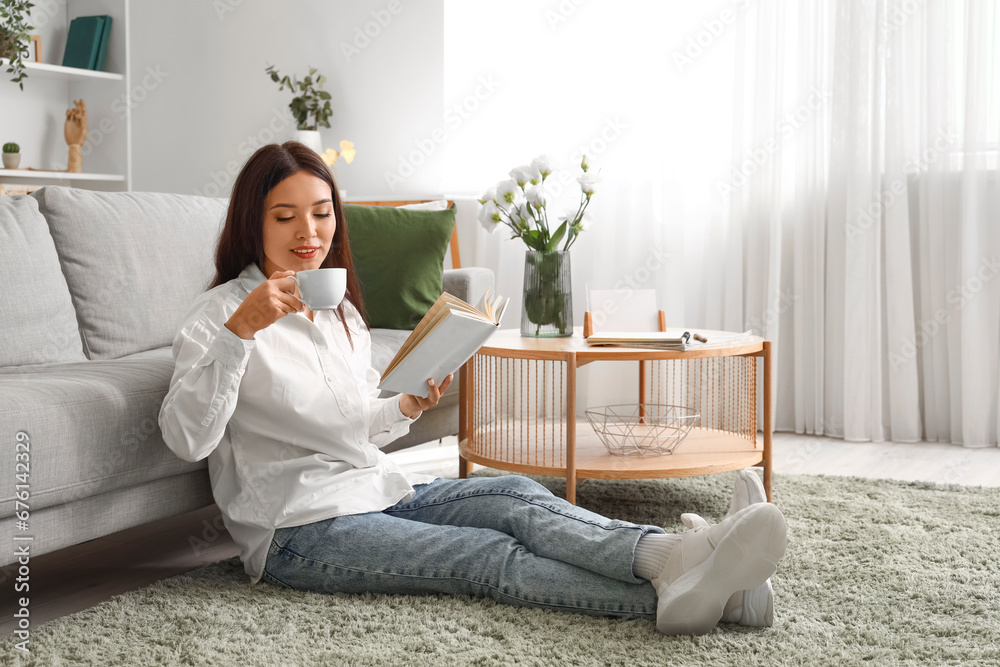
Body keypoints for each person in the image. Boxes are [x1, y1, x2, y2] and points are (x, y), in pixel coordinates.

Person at [158, 142, 788, 636]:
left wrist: (403, 406)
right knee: (484, 555)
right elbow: (189, 438)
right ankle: (710, 589)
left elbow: (347, 427)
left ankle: (681, 559)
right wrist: (239, 335)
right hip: (297, 530)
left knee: (516, 494)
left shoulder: (340, 312)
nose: (309, 233)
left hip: (373, 488)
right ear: (253, 222)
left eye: (322, 214)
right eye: (285, 216)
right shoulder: (219, 315)